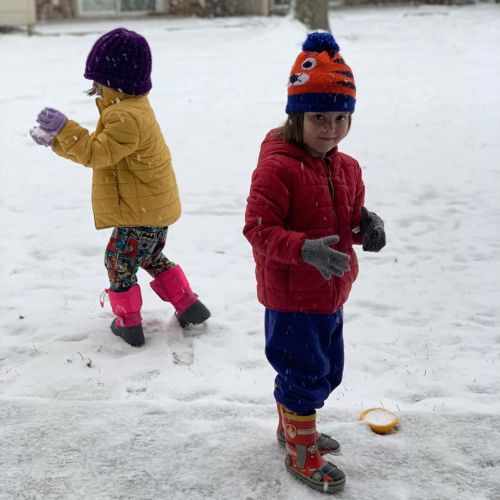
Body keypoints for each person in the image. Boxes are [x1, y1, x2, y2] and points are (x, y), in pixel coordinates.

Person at [243, 32, 386, 493]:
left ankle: (292, 426)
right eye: (319, 117)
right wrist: (303, 249)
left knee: (325, 371)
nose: (330, 128)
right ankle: (302, 451)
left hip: (331, 291)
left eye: (341, 118)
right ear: (296, 116)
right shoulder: (277, 167)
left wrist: (368, 228)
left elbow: (348, 221)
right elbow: (258, 229)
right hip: (291, 295)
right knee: (304, 373)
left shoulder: (347, 168)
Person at [30, 28, 210, 347]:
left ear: (116, 82)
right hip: (153, 209)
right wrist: (57, 140)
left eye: (98, 85)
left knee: (118, 261)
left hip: (141, 213)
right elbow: (104, 148)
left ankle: (129, 322)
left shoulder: (126, 117)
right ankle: (189, 306)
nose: (96, 92)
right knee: (150, 257)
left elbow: (97, 153)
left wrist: (64, 132)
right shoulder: (131, 109)